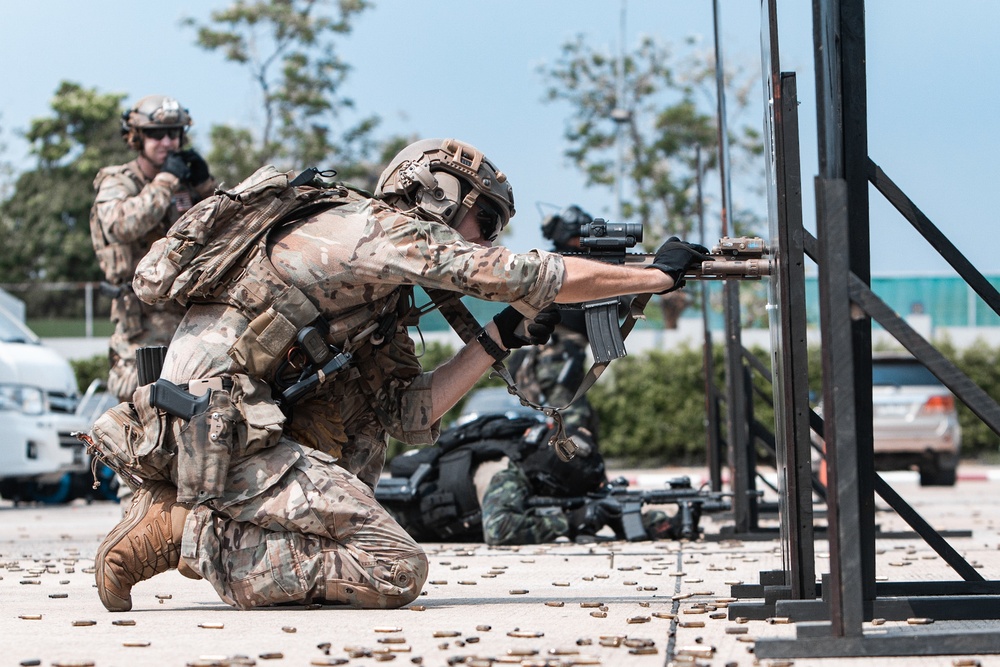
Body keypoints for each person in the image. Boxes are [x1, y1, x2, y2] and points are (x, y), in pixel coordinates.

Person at [89, 138, 709, 612]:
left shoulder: (377, 298)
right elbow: (516, 274)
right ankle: (188, 530)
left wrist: (502, 337)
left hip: (237, 432)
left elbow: (411, 410)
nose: (488, 239)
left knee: (365, 432)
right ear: (441, 193)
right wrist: (656, 276)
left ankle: (196, 518)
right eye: (485, 222)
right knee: (392, 569)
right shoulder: (365, 230)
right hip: (213, 429)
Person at [89, 94, 216, 402]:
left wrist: (206, 188)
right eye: (156, 134)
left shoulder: (183, 187)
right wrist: (165, 181)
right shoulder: (119, 181)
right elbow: (121, 224)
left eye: (174, 133)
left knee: (201, 403)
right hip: (141, 323)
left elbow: (224, 233)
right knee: (143, 403)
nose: (167, 142)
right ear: (137, 137)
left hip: (189, 317)